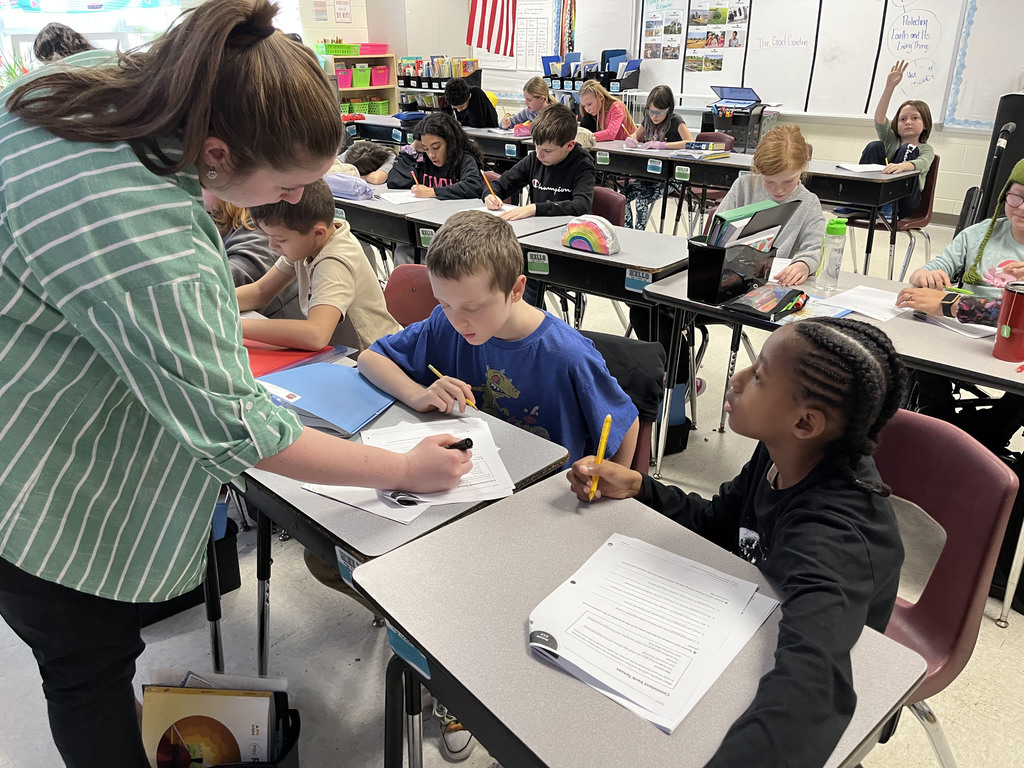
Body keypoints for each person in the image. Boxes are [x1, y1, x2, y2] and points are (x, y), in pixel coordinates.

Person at [0, 3, 471, 766]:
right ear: (216, 154)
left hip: (25, 412)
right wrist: (404, 470)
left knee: (83, 678)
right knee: (87, 677)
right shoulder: (147, 232)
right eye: (286, 184)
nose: (291, 201)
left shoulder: (82, 87)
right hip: (40, 498)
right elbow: (241, 431)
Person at [567, 317, 907, 768]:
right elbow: (721, 523)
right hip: (750, 623)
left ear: (805, 422)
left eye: (759, 375)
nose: (737, 378)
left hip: (807, 656)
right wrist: (640, 488)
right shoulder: (780, 451)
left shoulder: (834, 537)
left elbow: (811, 692)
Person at [359, 210, 639, 470]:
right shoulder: (444, 323)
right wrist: (417, 395)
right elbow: (370, 358)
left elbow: (626, 424)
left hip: (544, 490)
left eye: (472, 307)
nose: (458, 321)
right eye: (444, 303)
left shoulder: (568, 356)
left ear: (516, 290)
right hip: (476, 472)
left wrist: (613, 488)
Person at [238, 178, 401, 352]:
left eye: (280, 239)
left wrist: (237, 326)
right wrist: (217, 304)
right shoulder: (307, 243)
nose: (272, 245)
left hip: (375, 356)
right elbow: (261, 291)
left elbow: (316, 334)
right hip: (344, 354)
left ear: (318, 233)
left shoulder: (335, 261)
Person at [718, 123, 826, 285]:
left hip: (778, 282)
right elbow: (717, 233)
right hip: (732, 277)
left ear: (803, 166)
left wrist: (803, 265)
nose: (779, 190)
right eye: (769, 181)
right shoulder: (744, 187)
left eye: (788, 181)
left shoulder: (809, 203)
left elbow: (816, 249)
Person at [838, 60, 934, 219]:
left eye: (915, 118)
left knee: (908, 148)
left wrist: (902, 166)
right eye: (903, 119)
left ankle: (890, 205)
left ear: (925, 124)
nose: (908, 122)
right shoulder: (891, 140)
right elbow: (879, 119)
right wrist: (889, 87)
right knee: (874, 146)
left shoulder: (926, 149)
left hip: (905, 201)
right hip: (879, 196)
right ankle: (860, 201)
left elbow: (922, 163)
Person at [483, 103, 597, 221]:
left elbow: (581, 206)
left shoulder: (582, 165)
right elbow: (501, 184)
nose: (539, 155)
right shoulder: (534, 159)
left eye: (547, 151)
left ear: (569, 146)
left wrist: (535, 208)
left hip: (571, 228)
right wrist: (490, 195)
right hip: (539, 226)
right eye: (536, 147)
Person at [204, 190, 303, 319]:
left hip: (279, 321)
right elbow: (260, 292)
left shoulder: (261, 225)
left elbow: (317, 329)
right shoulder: (214, 218)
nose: (272, 245)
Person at [622, 85, 694, 230]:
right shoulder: (647, 120)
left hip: (670, 177)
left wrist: (663, 145)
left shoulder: (676, 121)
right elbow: (636, 134)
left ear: (669, 109)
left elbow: (690, 143)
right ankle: (627, 231)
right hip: (649, 174)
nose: (654, 116)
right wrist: (632, 138)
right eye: (651, 111)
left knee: (641, 200)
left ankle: (639, 235)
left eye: (659, 113)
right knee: (622, 199)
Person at [387, 111, 485, 200]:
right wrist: (411, 150)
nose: (431, 155)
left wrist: (432, 192)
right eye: (425, 148)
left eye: (436, 147)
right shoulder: (423, 158)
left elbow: (474, 187)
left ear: (451, 142)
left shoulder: (464, 159)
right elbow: (394, 181)